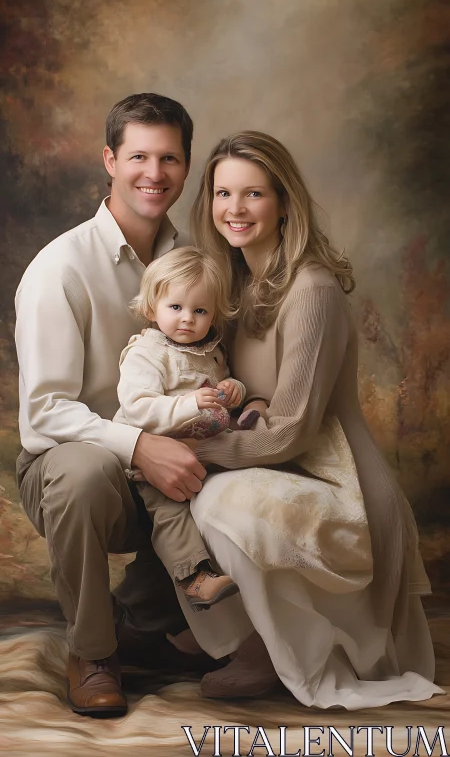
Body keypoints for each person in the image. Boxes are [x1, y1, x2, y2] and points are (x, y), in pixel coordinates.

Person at [172, 130, 443, 709]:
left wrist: (190, 452)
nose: (235, 210)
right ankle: (232, 631)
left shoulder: (311, 290)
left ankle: (277, 648)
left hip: (339, 483)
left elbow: (295, 429)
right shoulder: (235, 287)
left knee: (218, 497)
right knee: (170, 485)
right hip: (282, 464)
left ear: (285, 202)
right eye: (223, 194)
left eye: (253, 195)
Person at [14, 93, 212, 718]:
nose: (154, 174)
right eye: (139, 157)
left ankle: (150, 624)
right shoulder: (60, 268)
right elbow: (44, 413)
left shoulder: (195, 264)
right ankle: (92, 652)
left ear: (186, 166)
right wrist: (137, 444)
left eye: (170, 159)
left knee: (241, 454)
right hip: (69, 469)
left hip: (170, 455)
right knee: (86, 469)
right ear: (110, 160)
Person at [113, 246, 245, 610]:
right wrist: (189, 404)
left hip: (202, 450)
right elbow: (137, 408)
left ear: (213, 314)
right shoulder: (147, 353)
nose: (187, 318)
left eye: (200, 310)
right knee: (172, 510)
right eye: (176, 308)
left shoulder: (211, 351)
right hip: (153, 459)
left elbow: (221, 383)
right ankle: (195, 578)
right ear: (153, 306)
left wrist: (235, 390)